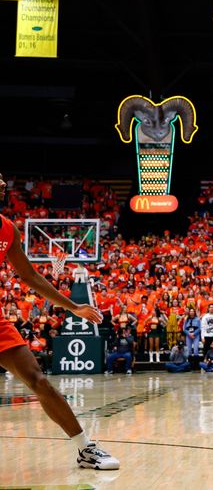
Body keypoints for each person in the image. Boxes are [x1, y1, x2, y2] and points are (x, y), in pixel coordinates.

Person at [0, 173, 119, 470]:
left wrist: (73, 306)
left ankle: (85, 449)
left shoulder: (7, 229)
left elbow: (30, 276)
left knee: (38, 379)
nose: (2, 184)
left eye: (3, 179)